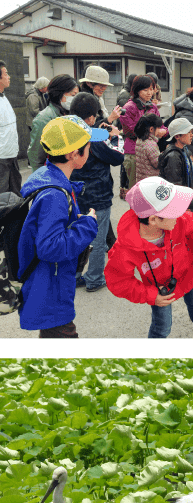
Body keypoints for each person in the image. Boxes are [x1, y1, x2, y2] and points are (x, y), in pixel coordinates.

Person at [18, 116, 107, 337]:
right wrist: (87, 225)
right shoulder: (55, 195)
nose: (90, 148)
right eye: (87, 145)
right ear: (72, 154)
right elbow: (50, 248)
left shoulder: (44, 176)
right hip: (51, 289)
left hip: (46, 283)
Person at [105, 177, 193, 338]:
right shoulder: (125, 247)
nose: (180, 213)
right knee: (162, 326)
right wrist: (150, 295)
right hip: (159, 290)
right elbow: (118, 281)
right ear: (153, 219)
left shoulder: (176, 220)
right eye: (173, 211)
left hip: (189, 274)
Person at [69, 92, 123, 293]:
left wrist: (104, 130)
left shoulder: (68, 131)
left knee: (76, 236)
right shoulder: (93, 139)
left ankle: (74, 276)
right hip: (97, 195)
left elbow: (96, 133)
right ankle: (94, 278)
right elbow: (117, 158)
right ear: (91, 117)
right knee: (97, 239)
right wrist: (116, 137)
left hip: (74, 194)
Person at [120, 75, 163, 198]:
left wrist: (162, 131)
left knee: (149, 191)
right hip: (133, 152)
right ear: (137, 90)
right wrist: (153, 132)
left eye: (151, 89)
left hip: (151, 150)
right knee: (136, 191)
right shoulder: (128, 107)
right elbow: (130, 131)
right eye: (146, 90)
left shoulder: (152, 106)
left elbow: (161, 125)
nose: (150, 93)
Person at [28, 74, 79, 170]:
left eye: (77, 95)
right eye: (73, 95)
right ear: (59, 94)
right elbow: (36, 156)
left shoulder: (70, 114)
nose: (75, 99)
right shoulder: (44, 119)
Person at [158, 118, 193, 190]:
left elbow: (190, 174)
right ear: (177, 136)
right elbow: (176, 186)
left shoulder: (184, 150)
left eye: (192, 132)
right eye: (188, 132)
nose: (191, 135)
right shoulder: (173, 157)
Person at [78, 65, 122, 133]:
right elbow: (86, 129)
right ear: (89, 83)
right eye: (101, 86)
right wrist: (110, 118)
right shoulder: (84, 101)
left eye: (105, 86)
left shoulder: (97, 98)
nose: (103, 89)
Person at [0, 61, 21, 195]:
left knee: (16, 194)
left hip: (12, 155)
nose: (9, 77)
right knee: (3, 196)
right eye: (6, 73)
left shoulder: (4, 97)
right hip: (1, 158)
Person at [134, 113, 163, 184]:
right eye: (158, 128)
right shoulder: (151, 144)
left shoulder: (140, 140)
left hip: (142, 179)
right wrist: (164, 154)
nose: (160, 130)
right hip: (151, 181)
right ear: (151, 129)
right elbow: (158, 163)